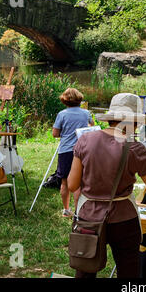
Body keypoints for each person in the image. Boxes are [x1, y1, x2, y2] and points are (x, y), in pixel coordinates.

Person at [67, 93, 146, 278]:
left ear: (111, 119)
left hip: (89, 216)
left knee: (85, 270)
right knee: (128, 272)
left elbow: (71, 184)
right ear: (133, 122)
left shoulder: (85, 140)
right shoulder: (136, 149)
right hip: (124, 220)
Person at [53, 88, 94, 218]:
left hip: (66, 151)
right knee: (79, 182)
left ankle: (66, 210)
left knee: (65, 181)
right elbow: (92, 127)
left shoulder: (62, 114)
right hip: (83, 150)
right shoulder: (86, 113)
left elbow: (55, 133)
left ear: (64, 101)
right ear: (79, 100)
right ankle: (78, 212)